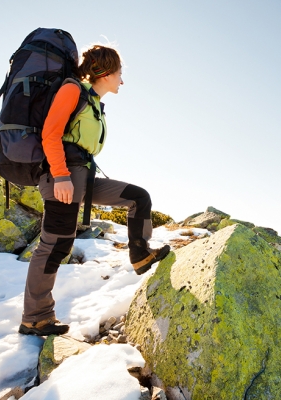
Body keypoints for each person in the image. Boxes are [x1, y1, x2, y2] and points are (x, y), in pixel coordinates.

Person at [19, 44, 170, 336]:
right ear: (105, 73)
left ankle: (140, 255)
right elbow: (51, 134)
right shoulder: (72, 90)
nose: (122, 80)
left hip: (82, 177)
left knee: (138, 197)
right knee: (54, 246)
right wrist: (61, 176)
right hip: (61, 176)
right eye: (120, 73)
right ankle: (35, 317)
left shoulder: (92, 102)